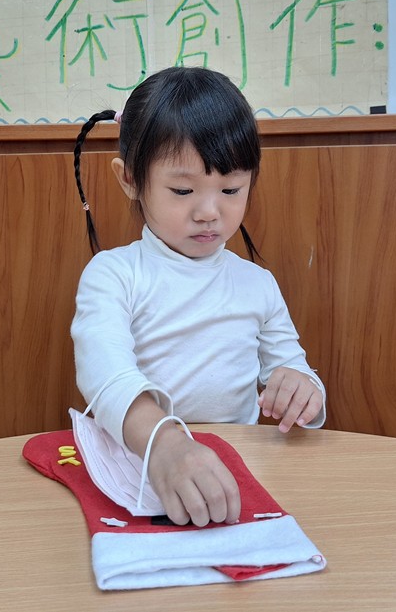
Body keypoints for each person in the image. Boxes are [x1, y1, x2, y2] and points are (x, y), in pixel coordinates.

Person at [71, 66, 326, 528]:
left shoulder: (257, 284)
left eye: (230, 189)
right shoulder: (114, 275)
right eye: (183, 190)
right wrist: (165, 445)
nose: (209, 211)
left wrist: (301, 389)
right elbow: (105, 375)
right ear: (130, 179)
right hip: (139, 462)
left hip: (231, 467)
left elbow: (294, 369)